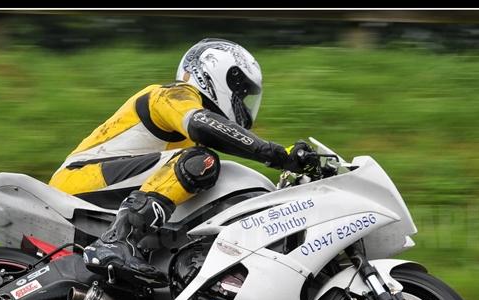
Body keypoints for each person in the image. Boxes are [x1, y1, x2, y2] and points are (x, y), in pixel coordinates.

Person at [49, 38, 319, 286]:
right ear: (212, 73)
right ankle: (117, 241)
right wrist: (278, 155)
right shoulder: (171, 95)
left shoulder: (187, 146)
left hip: (111, 190)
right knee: (201, 163)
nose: (243, 104)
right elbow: (204, 125)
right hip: (80, 179)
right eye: (240, 92)